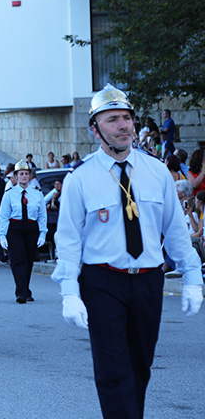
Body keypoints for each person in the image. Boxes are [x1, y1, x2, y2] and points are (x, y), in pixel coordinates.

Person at [52, 85, 203, 419]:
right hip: (102, 281)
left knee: (140, 367)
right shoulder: (80, 179)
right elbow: (68, 240)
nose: (124, 125)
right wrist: (69, 292)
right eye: (112, 120)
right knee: (113, 370)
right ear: (95, 129)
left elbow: (176, 230)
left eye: (127, 118)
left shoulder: (156, 172)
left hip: (149, 281)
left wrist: (193, 277)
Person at [0, 159, 47, 303]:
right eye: (21, 174)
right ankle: (21, 293)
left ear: (30, 176)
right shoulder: (9, 194)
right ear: (16, 176)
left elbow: (42, 215)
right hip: (15, 229)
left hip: (31, 228)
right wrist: (2, 235)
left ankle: (26, 289)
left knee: (29, 260)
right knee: (18, 260)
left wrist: (42, 233)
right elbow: (4, 216)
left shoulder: (36, 194)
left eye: (26, 173)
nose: (24, 176)